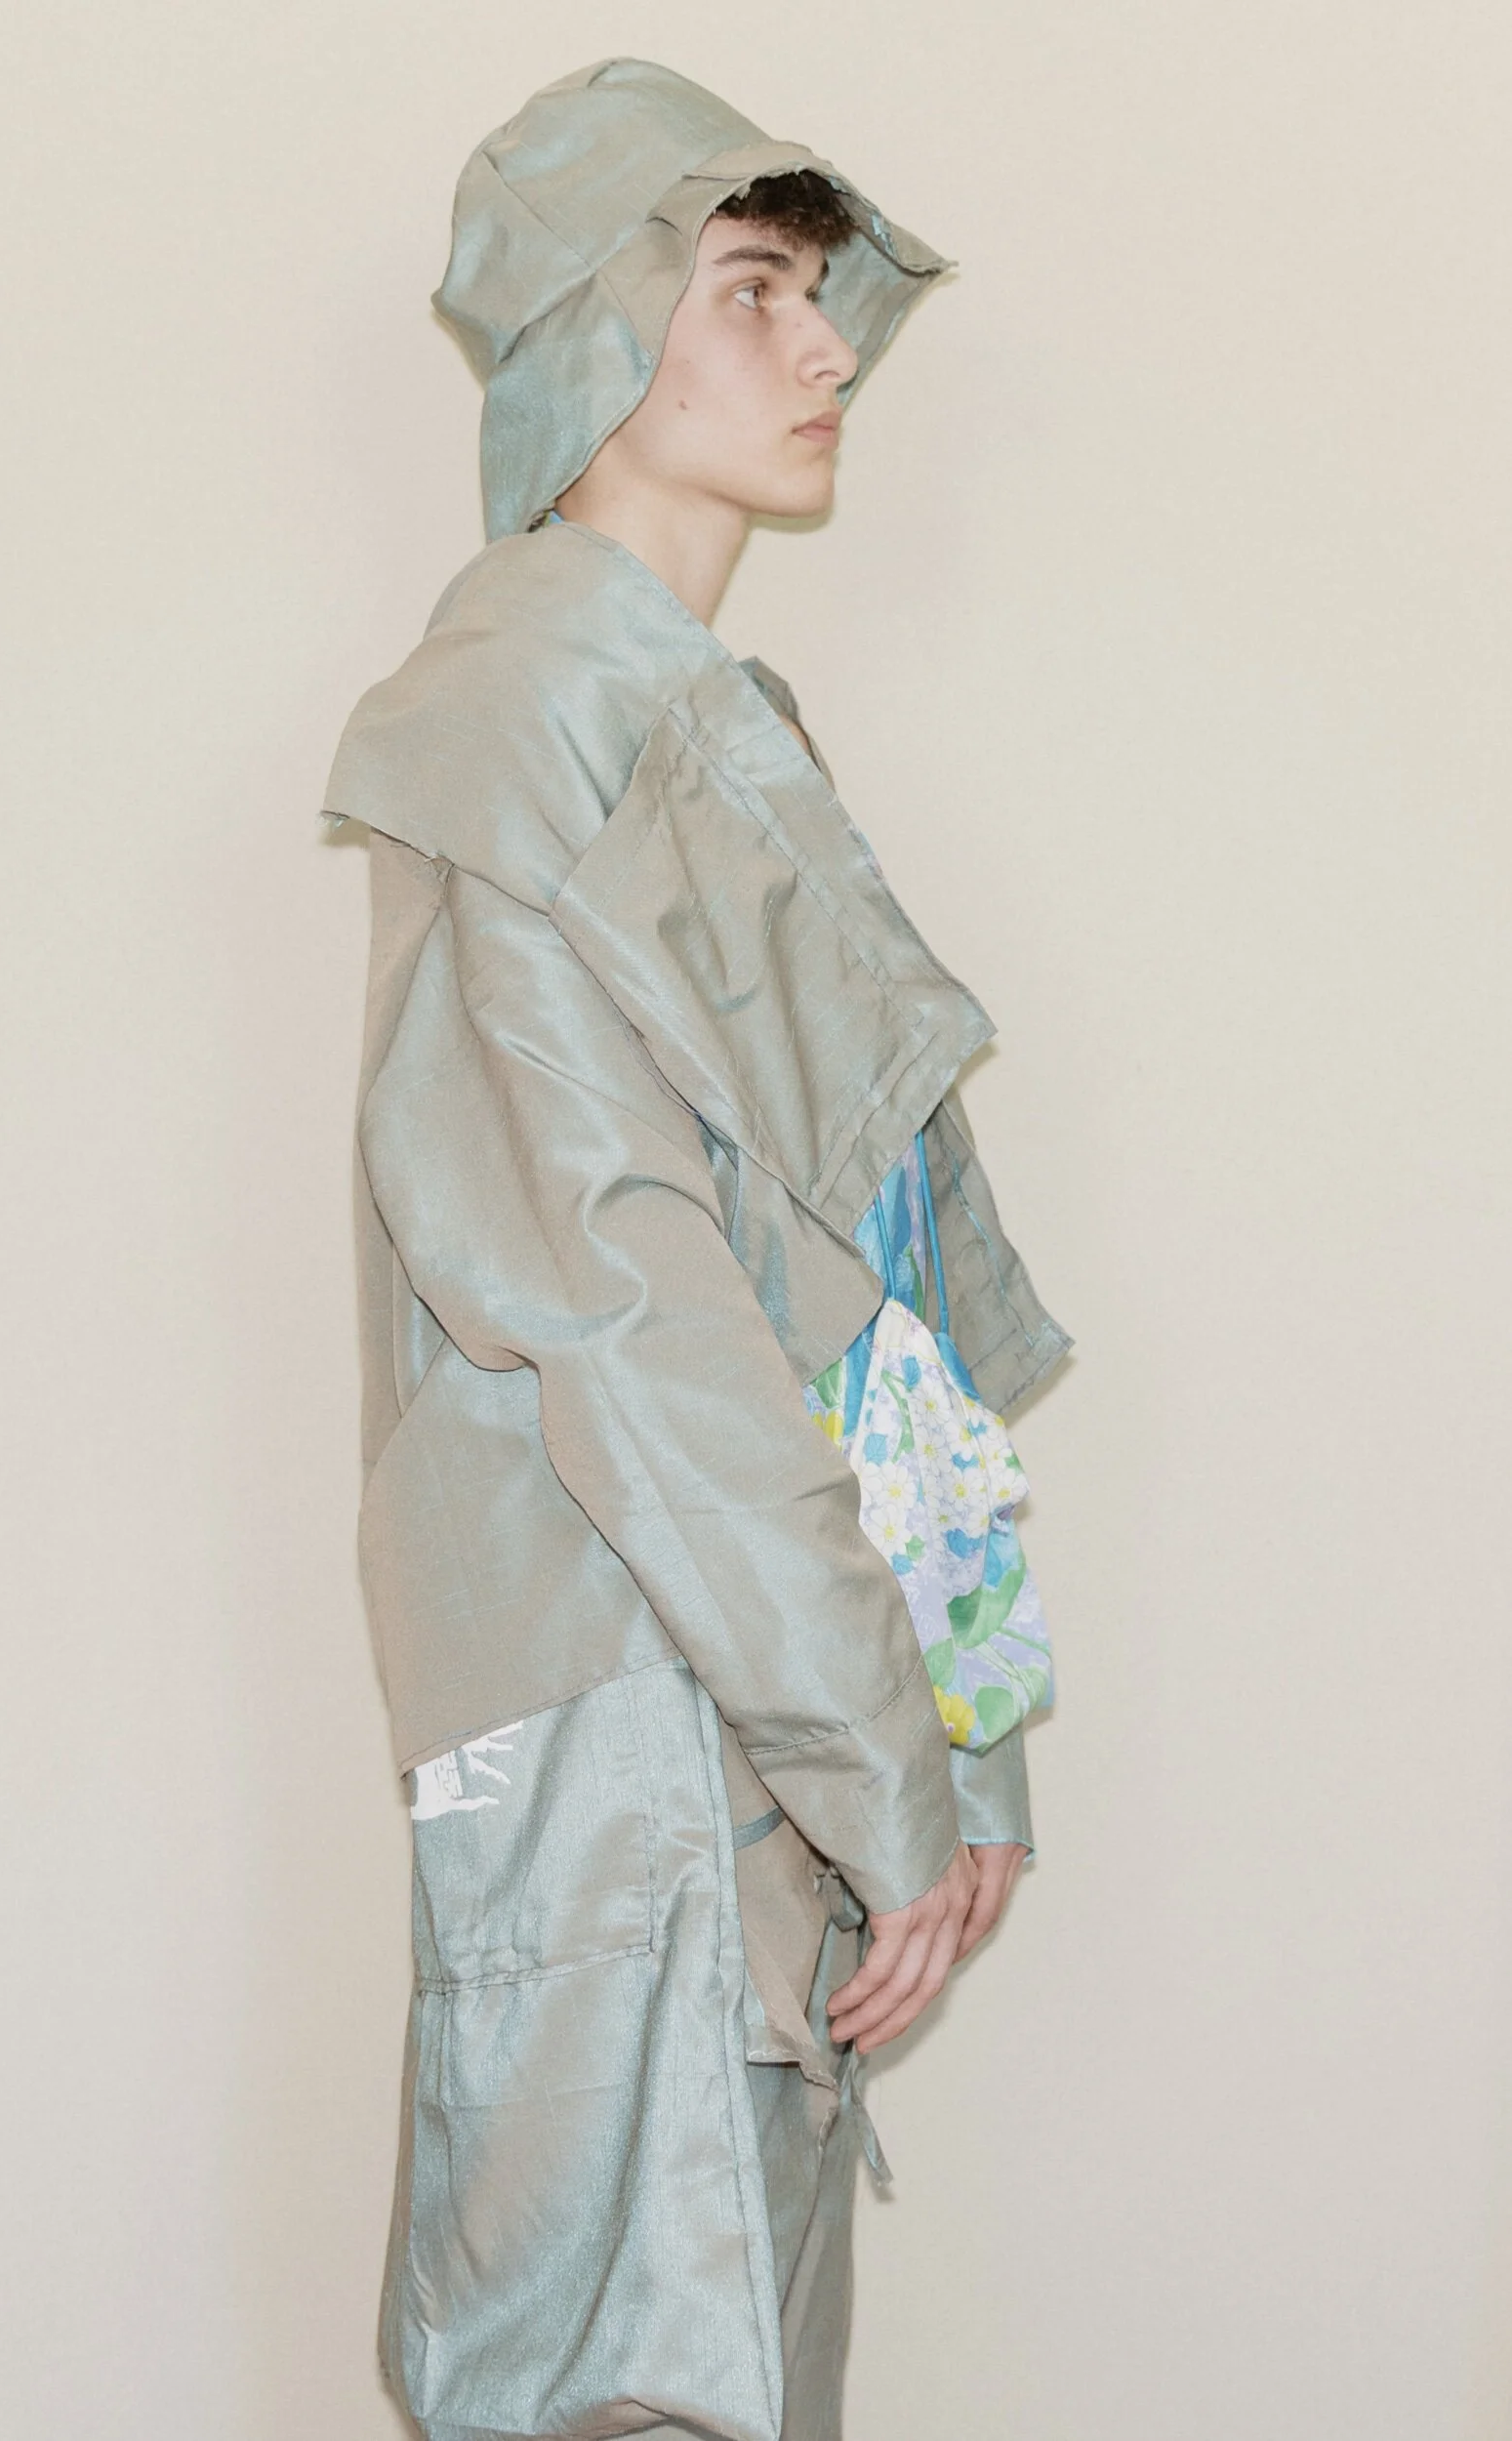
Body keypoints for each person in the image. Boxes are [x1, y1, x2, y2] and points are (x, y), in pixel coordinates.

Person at [323, 57, 1071, 2441]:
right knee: (638, 2387)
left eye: (815, 291)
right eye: (748, 287)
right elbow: (621, 1310)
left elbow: (875, 1284)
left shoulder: (719, 728)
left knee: (725, 2369)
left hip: (750, 1697)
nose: (824, 342)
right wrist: (881, 1739)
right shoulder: (510, 724)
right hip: (633, 1706)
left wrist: (959, 1723)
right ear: (592, 333)